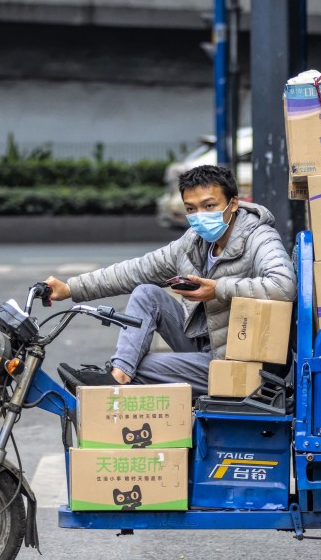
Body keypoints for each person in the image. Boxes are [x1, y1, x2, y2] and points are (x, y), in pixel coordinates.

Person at [45, 165, 297, 397]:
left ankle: (120, 377)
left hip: (246, 364)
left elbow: (284, 285)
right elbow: (136, 270)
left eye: (209, 206)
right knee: (146, 294)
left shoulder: (259, 237)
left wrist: (218, 289)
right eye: (191, 209)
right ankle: (119, 375)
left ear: (233, 204)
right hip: (207, 346)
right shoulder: (193, 243)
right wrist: (70, 288)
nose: (199, 216)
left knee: (143, 366)